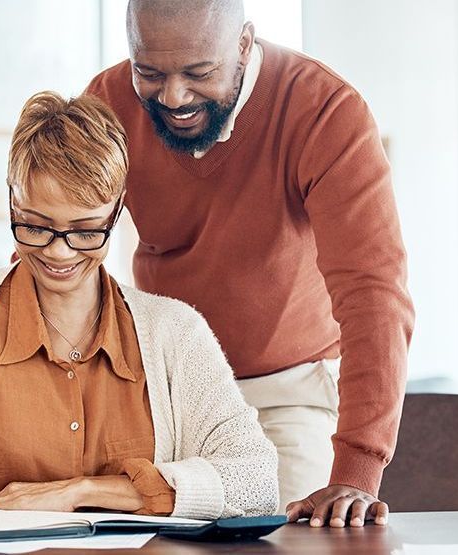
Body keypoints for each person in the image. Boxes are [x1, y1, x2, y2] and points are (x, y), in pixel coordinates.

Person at [0, 91, 278, 522]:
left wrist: (81, 492)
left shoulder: (177, 333)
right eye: (35, 226)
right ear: (12, 201)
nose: (59, 253)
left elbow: (256, 480)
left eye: (86, 231)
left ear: (117, 211)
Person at [84, 0, 415, 528]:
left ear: (243, 43)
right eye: (149, 72)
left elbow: (373, 292)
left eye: (199, 73)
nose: (173, 96)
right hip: (157, 394)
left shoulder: (324, 110)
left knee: (294, 542)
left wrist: (357, 469)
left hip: (284, 394)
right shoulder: (107, 104)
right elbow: (55, 241)